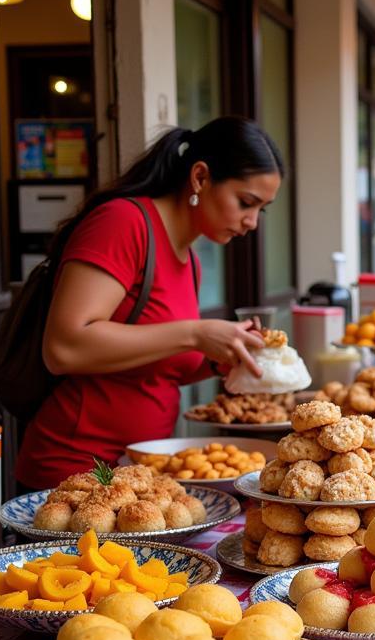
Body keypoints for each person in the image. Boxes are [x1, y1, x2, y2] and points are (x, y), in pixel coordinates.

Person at [16, 117, 283, 489]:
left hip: (142, 474)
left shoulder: (189, 260)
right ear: (201, 178)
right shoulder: (123, 223)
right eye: (246, 202)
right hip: (75, 469)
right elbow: (63, 347)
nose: (252, 222)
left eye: (262, 209)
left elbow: (160, 363)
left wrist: (219, 355)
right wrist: (194, 333)